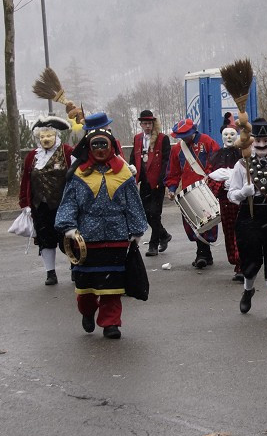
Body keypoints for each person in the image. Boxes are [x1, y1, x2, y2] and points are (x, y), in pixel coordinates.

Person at [55, 124, 147, 339]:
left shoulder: (124, 173)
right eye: (94, 145)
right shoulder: (78, 174)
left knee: (113, 285)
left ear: (111, 146)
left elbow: (134, 203)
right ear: (88, 147)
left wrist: (136, 229)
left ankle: (110, 323)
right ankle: (87, 312)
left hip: (116, 237)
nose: (99, 149)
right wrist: (68, 227)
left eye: (103, 144)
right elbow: (68, 203)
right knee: (86, 287)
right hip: (86, 239)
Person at [226, 118, 267, 320]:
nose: (262, 145)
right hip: (249, 217)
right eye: (258, 141)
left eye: (266, 141)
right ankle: (248, 289)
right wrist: (243, 193)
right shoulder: (241, 165)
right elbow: (231, 195)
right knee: (250, 262)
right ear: (251, 142)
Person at [19, 116, 74, 285]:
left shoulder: (67, 152)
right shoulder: (32, 157)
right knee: (45, 239)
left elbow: (77, 177)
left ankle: (75, 268)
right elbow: (26, 181)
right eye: (42, 136)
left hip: (63, 205)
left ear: (56, 136)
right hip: (40, 205)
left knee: (68, 238)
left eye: (49, 135)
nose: (45, 139)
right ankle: (50, 273)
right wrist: (25, 203)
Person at [165, 118, 220, 269]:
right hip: (187, 191)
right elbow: (173, 172)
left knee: (207, 221)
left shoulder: (207, 141)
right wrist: (171, 188)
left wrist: (210, 177)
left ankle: (202, 254)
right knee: (192, 223)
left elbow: (216, 161)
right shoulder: (177, 149)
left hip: (206, 189)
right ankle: (204, 254)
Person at [130, 109, 173, 257]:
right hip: (144, 182)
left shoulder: (162, 138)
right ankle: (164, 235)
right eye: (145, 123)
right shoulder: (137, 139)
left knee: (155, 213)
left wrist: (162, 180)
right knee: (145, 213)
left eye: (150, 123)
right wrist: (131, 176)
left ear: (153, 124)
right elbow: (132, 160)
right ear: (141, 124)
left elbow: (167, 161)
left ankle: (153, 245)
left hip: (157, 182)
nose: (147, 126)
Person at [207, 126, 244, 281]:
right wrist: (222, 185)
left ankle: (242, 264)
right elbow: (209, 180)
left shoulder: (243, 154)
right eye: (226, 134)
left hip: (242, 200)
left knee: (241, 231)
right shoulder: (215, 156)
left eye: (232, 134)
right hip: (224, 201)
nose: (229, 137)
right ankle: (236, 263)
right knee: (229, 232)